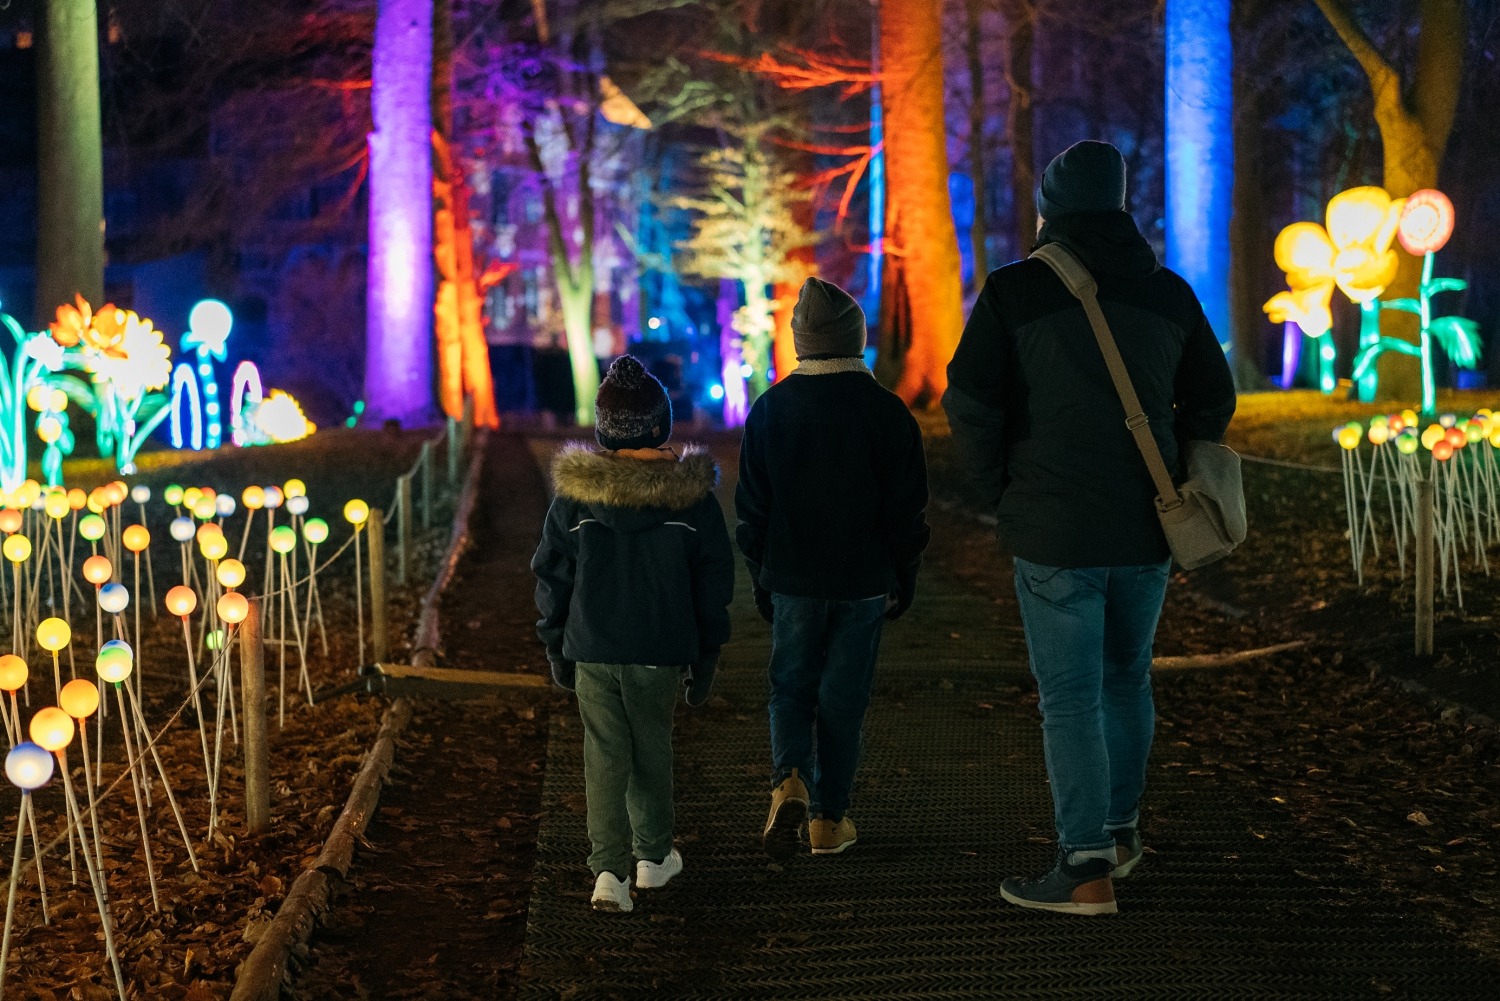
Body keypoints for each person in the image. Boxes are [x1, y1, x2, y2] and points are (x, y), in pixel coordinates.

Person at [943, 140, 1236, 915]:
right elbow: (1213, 395)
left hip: (1053, 526)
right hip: (1149, 524)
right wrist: (1172, 459)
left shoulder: (1013, 292)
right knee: (1125, 677)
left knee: (1070, 694)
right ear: (1118, 206)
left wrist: (999, 486)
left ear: (1052, 208)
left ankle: (1084, 864)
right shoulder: (1168, 292)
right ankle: (1120, 829)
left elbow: (970, 401)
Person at [736, 276, 931, 860]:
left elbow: (752, 510)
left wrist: (761, 576)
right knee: (844, 698)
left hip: (793, 578)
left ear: (800, 341)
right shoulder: (887, 412)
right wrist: (905, 574)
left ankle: (789, 776)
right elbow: (907, 509)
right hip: (863, 581)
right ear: (856, 339)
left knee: (790, 688)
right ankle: (829, 819)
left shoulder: (770, 411)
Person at [532, 354, 735, 913]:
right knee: (651, 748)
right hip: (660, 647)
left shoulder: (574, 500)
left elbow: (551, 574)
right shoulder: (692, 500)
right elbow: (713, 580)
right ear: (660, 425)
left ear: (603, 430)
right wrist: (707, 653)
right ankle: (653, 858)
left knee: (603, 756)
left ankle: (607, 874)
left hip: (593, 646)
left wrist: (556, 644)